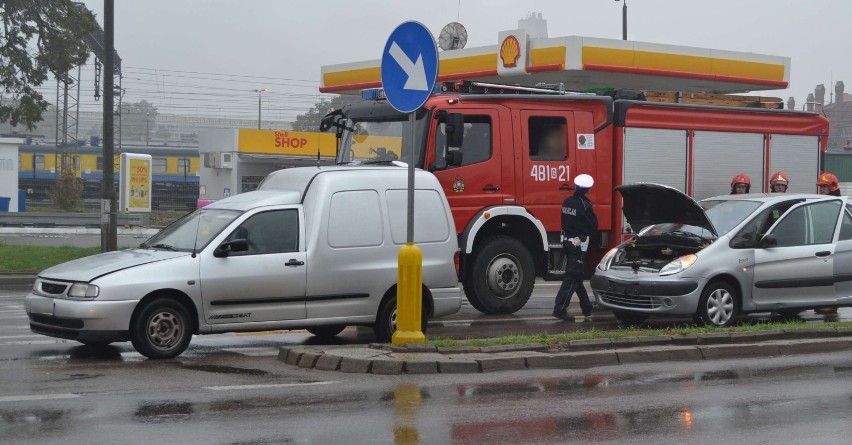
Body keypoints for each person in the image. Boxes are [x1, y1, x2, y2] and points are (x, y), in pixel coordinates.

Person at [552, 174, 597, 322]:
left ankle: (587, 308)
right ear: (588, 189)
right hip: (578, 245)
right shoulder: (585, 205)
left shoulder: (567, 202)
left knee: (576, 275)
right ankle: (560, 309)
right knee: (572, 276)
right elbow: (594, 226)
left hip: (566, 241)